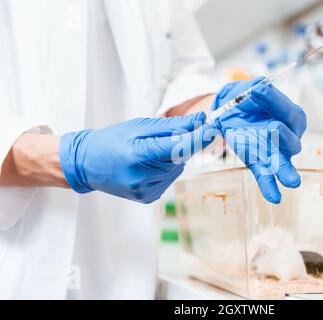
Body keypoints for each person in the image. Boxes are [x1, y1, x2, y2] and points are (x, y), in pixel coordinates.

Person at [0, 0, 306, 299]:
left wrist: (219, 109)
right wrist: (72, 159)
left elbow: (180, 80)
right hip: (16, 273)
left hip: (127, 272)